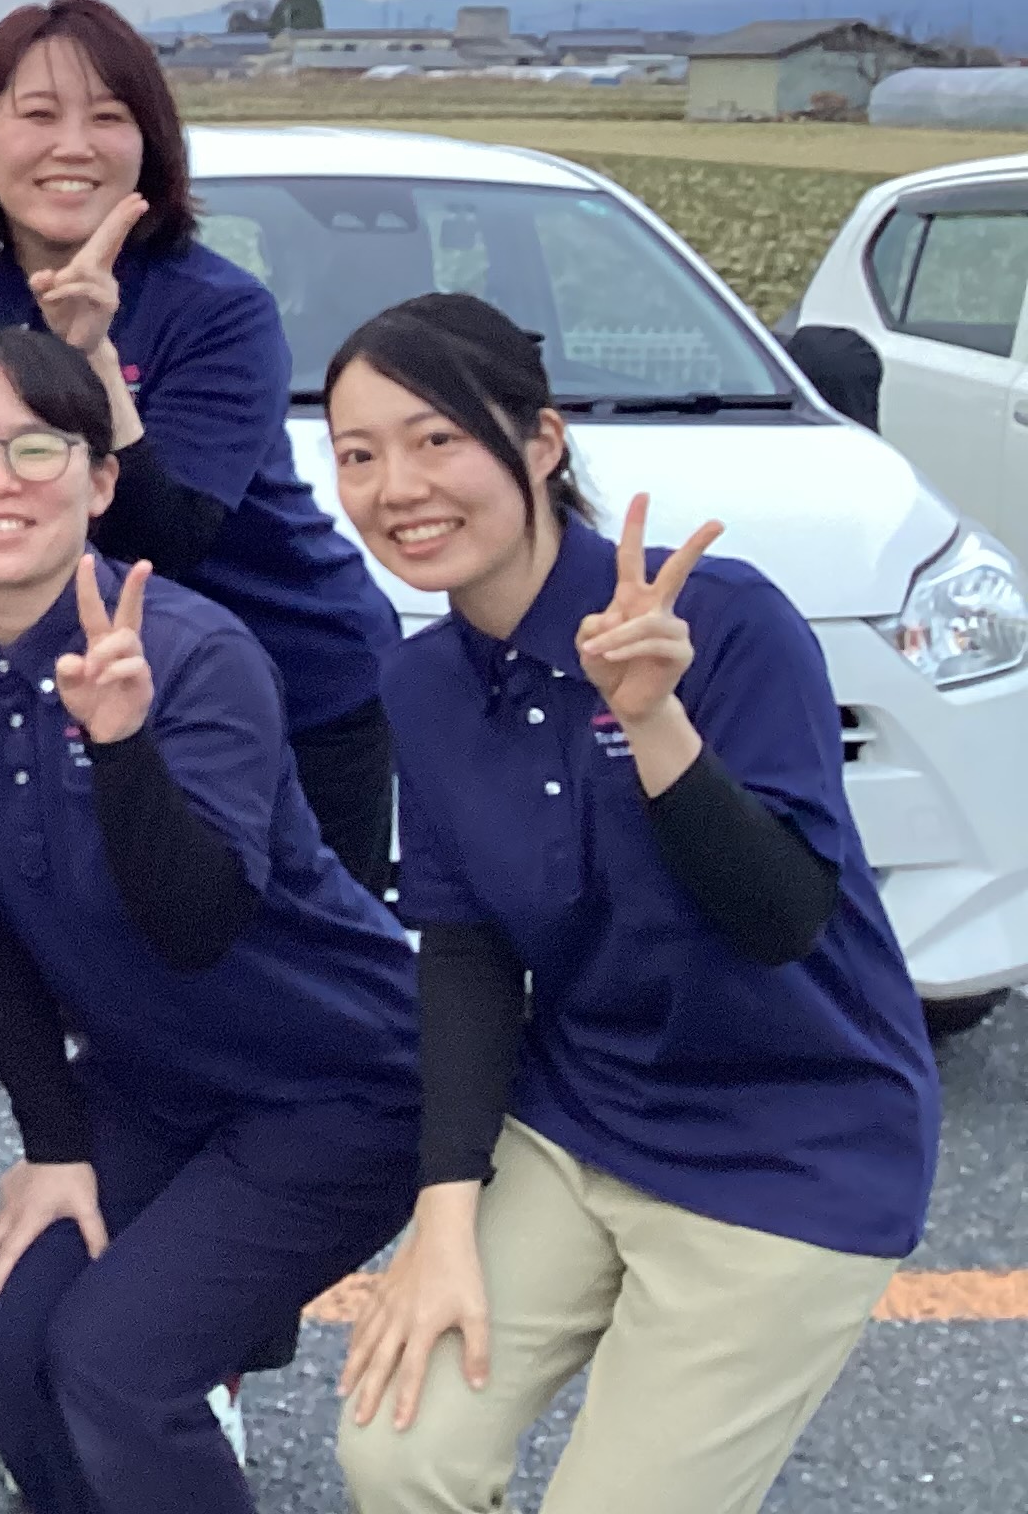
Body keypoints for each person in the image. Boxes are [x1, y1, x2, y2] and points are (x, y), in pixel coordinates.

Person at [324, 293, 939, 1514]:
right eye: (359, 454)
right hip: (586, 1113)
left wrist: (653, 720)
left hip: (792, 1140)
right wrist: (442, 1217)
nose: (399, 486)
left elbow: (783, 918)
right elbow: (465, 953)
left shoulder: (725, 624)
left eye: (438, 437)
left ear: (541, 441)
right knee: (399, 1455)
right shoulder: (424, 682)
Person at [0, 324, 420, 1514]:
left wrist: (122, 749)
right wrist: (54, 1145)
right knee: (15, 1339)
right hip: (155, 1081)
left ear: (102, 480)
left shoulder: (198, 655)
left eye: (37, 447)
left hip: (337, 1083)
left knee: (119, 1367)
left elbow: (198, 923)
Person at [0, 0, 404, 891]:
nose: (74, 145)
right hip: (94, 687)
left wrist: (92, 354)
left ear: (150, 146)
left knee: (300, 948)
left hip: (291, 681)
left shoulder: (219, 311)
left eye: (109, 117)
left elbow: (166, 539)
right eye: (38, 115)